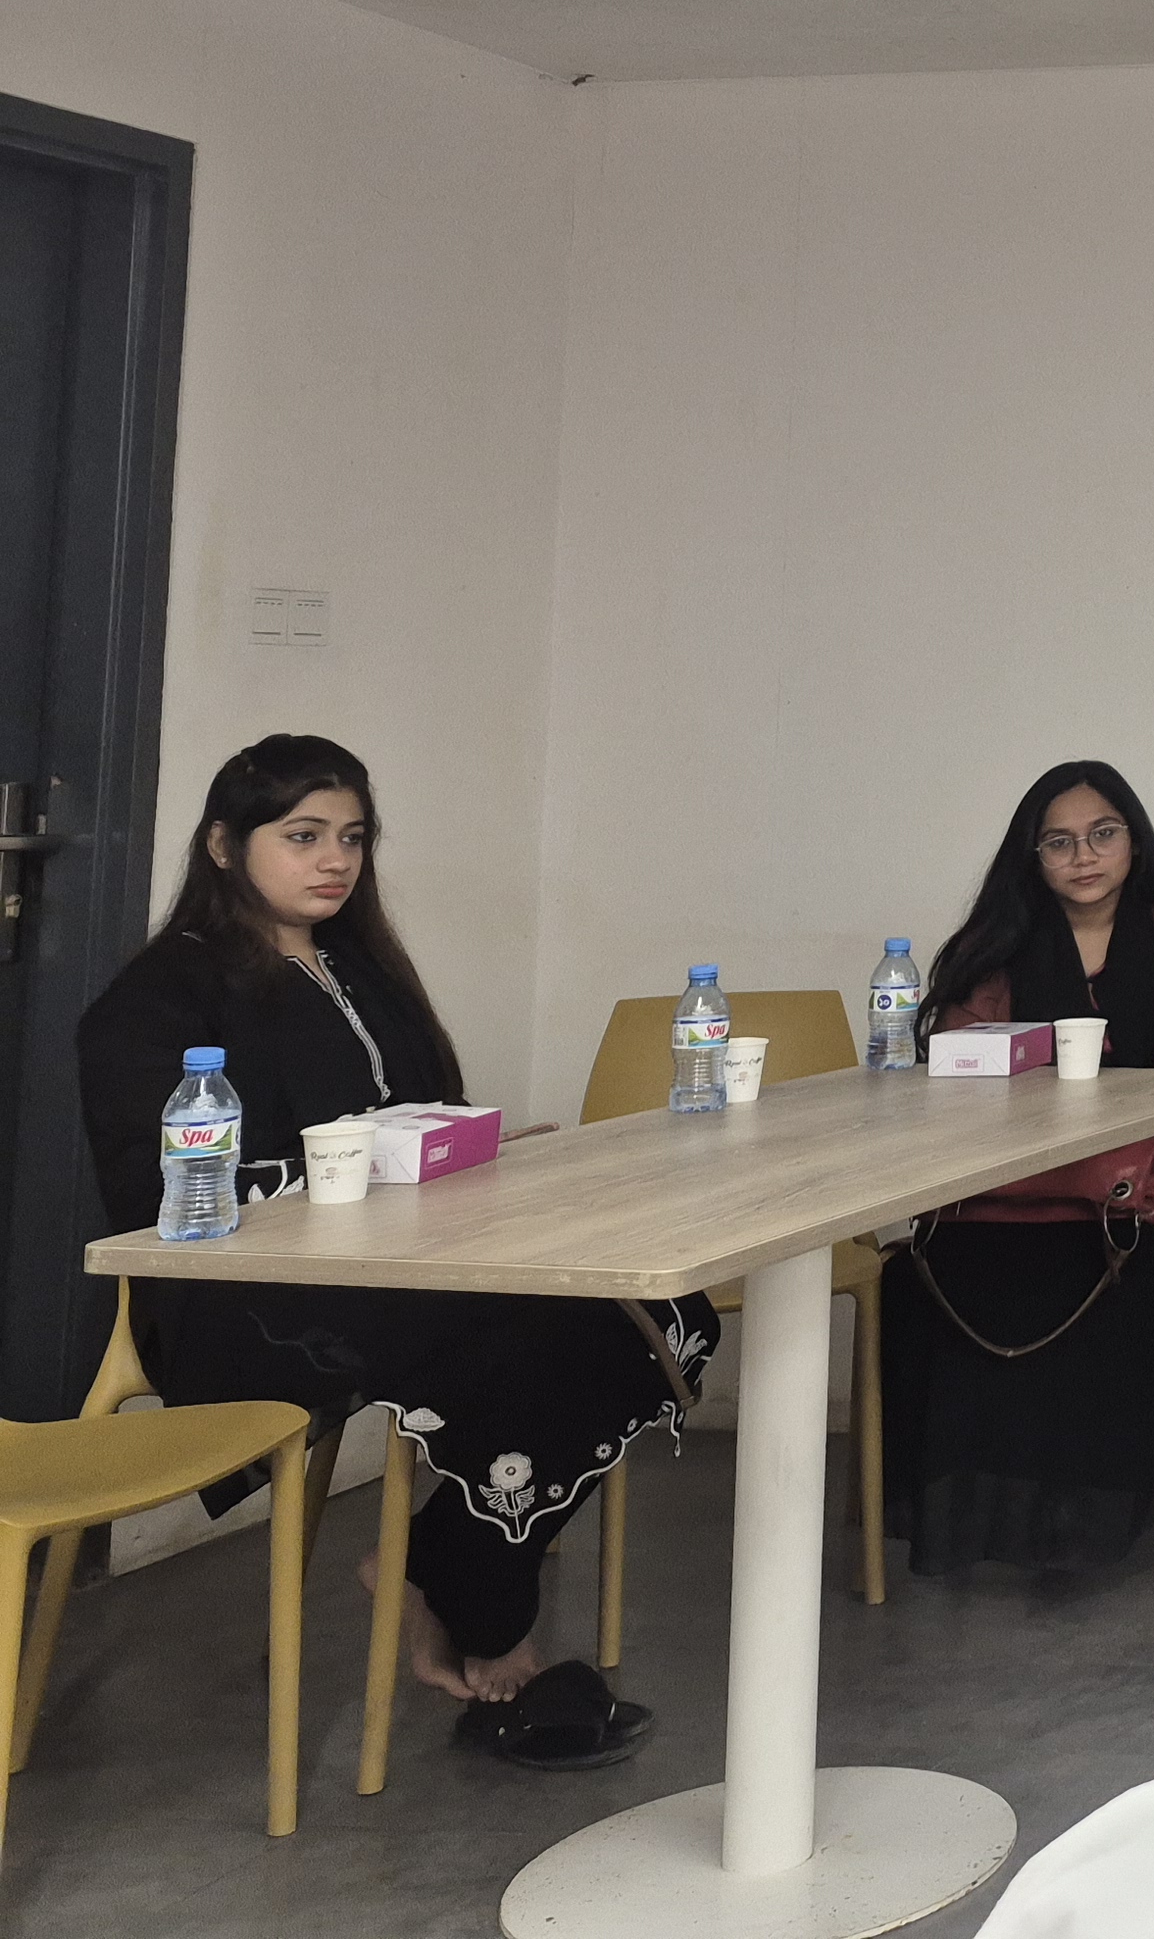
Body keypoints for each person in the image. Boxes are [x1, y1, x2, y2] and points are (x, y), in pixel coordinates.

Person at [75, 736, 709, 1766]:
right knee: (523, 1346)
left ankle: (427, 1568)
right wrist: (371, 1170)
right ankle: (493, 1629)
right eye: (304, 836)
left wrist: (477, 1147)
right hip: (248, 1290)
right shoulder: (160, 998)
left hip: (409, 1259)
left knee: (662, 1310)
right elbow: (167, 1197)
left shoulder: (359, 968)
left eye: (353, 837)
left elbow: (418, 1116)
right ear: (225, 846)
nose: (336, 860)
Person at [884, 760, 1154, 1574]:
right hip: (1006, 1188)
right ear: (1033, 856)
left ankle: (1087, 1516)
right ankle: (983, 1509)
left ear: (1133, 841)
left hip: (1143, 1191)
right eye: (1059, 842)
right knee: (924, 1277)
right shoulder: (998, 941)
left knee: (1152, 1279)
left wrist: (1103, 1128)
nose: (1083, 856)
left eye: (1102, 834)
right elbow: (959, 1061)